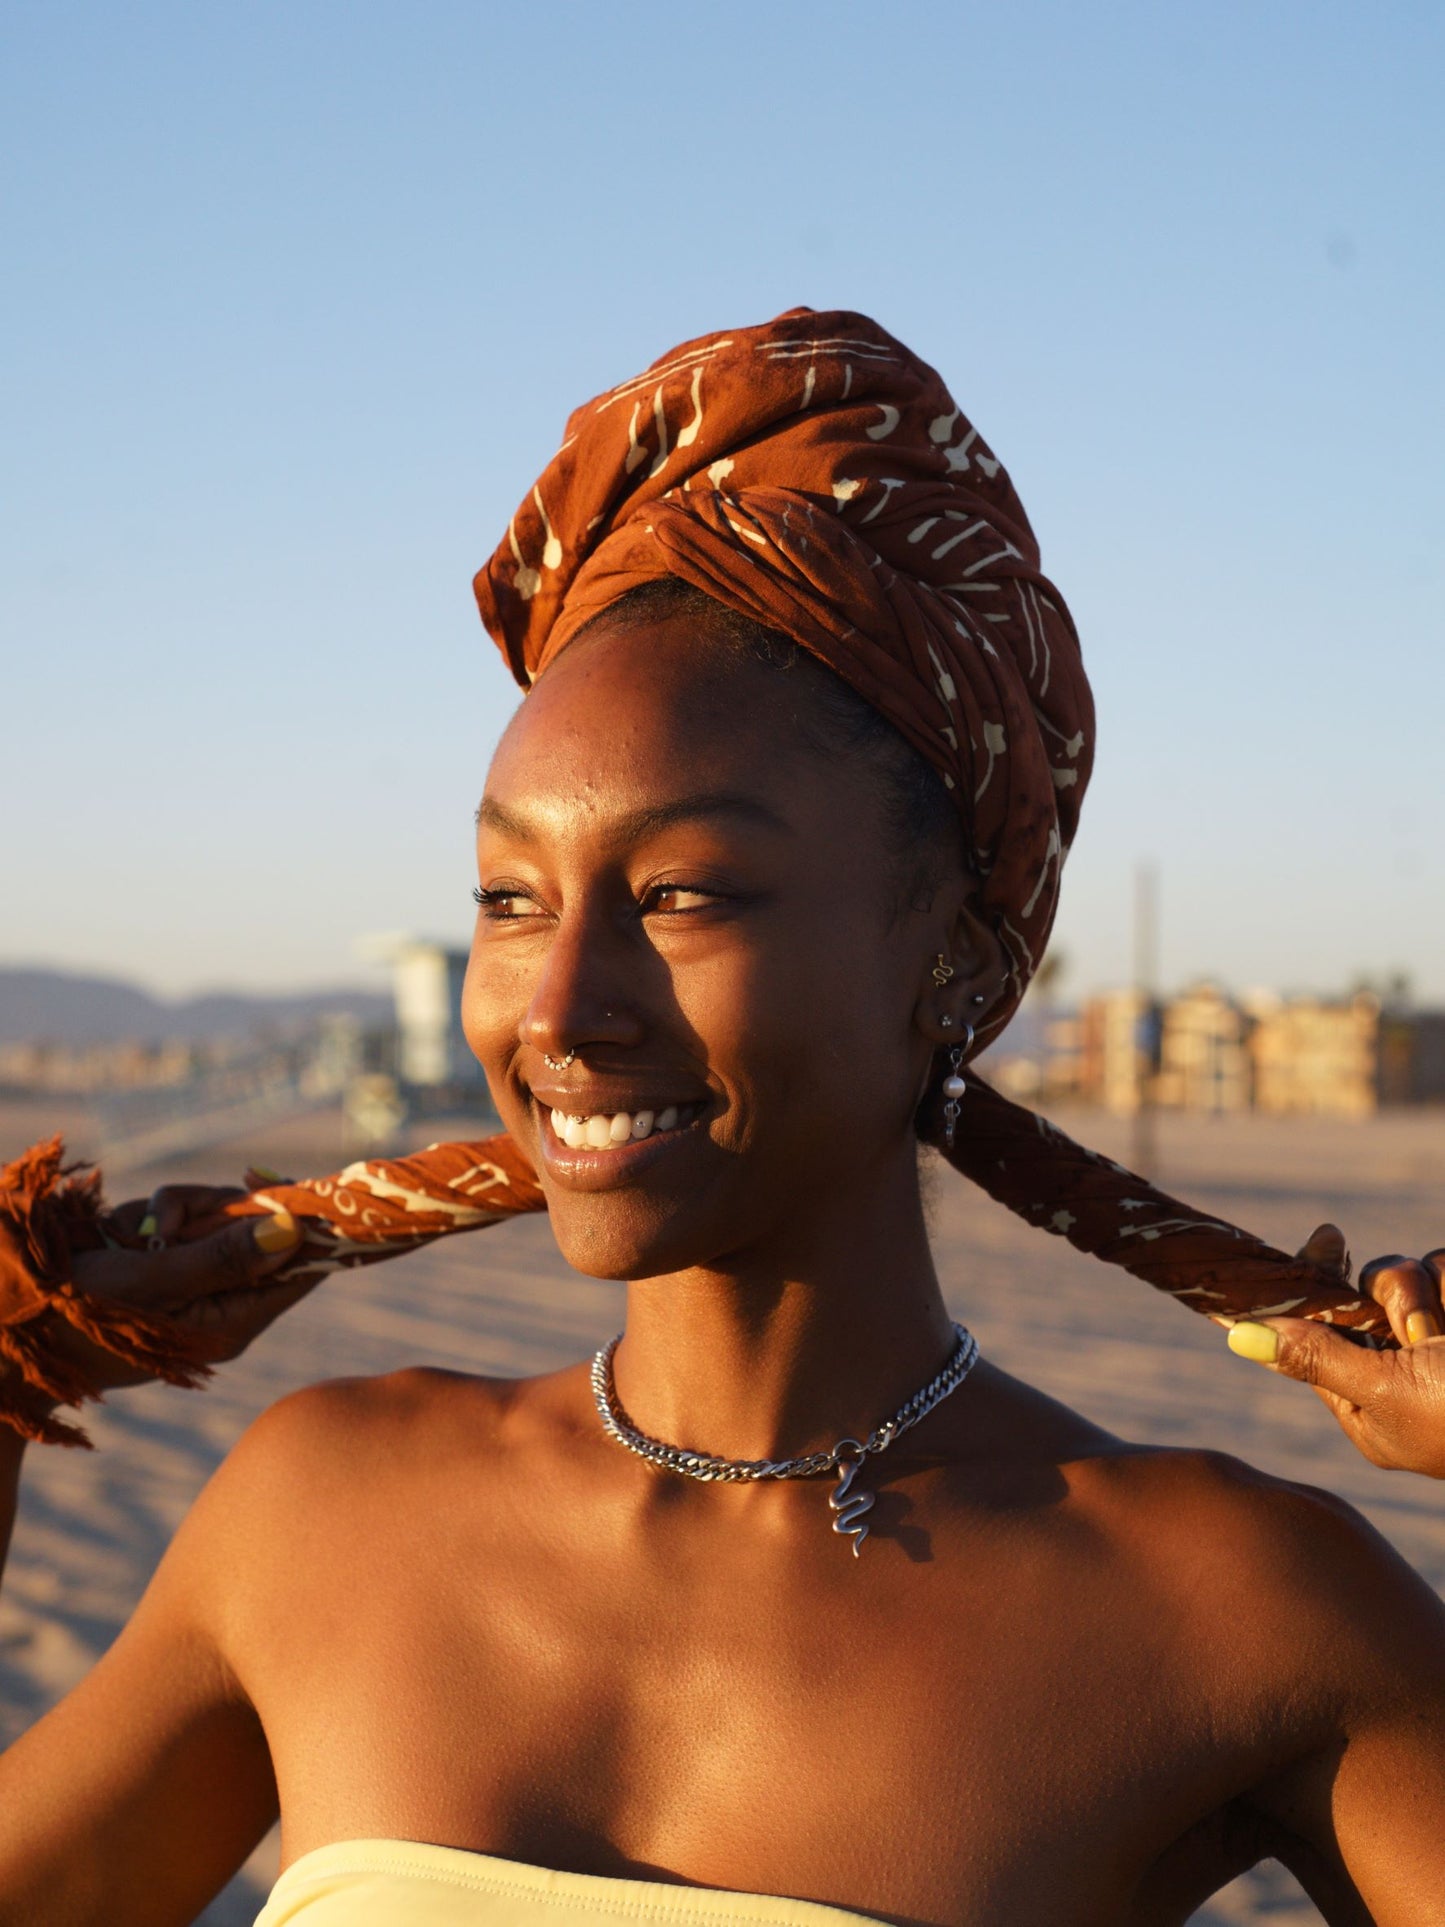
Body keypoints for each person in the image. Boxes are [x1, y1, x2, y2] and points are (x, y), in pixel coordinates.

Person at [3, 309, 1445, 1925]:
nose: (553, 1011)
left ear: (956, 958)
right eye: (507, 897)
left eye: (681, 893)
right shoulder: (318, 1507)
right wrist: (8, 1370)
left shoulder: (1235, 1613)